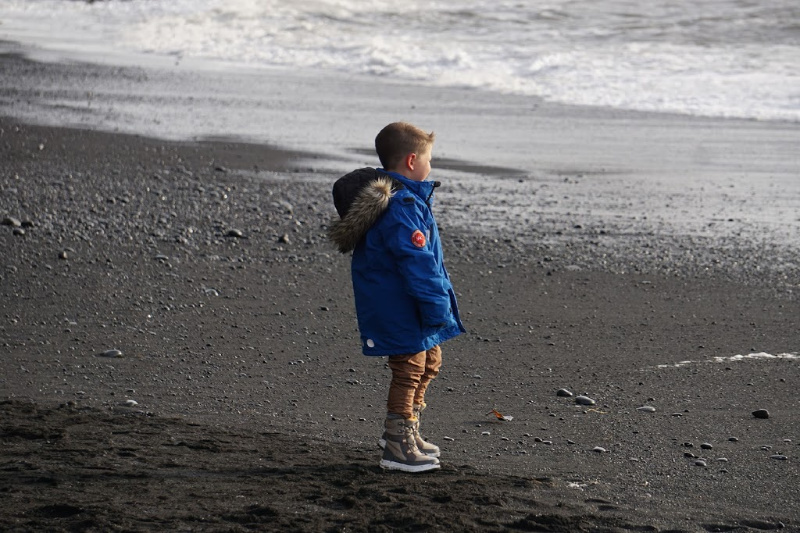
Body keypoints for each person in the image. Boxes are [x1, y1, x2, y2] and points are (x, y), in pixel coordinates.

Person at [328, 122, 465, 473]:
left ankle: (410, 428)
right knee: (409, 368)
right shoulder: (402, 205)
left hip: (410, 303)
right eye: (429, 159)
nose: (431, 166)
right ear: (411, 160)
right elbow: (417, 262)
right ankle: (396, 443)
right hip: (403, 304)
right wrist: (438, 306)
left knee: (430, 362)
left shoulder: (409, 199)